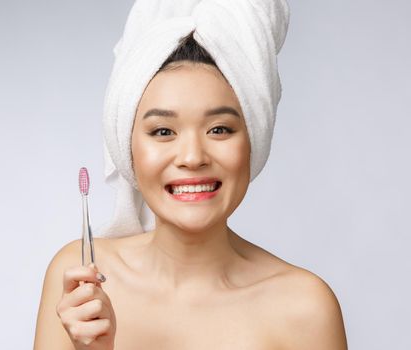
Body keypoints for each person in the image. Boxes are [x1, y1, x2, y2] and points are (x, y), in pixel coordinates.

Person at [33, 31, 348, 349]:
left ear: (253, 141)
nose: (193, 157)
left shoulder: (305, 308)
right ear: (127, 149)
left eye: (219, 129)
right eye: (163, 131)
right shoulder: (79, 280)